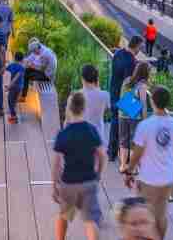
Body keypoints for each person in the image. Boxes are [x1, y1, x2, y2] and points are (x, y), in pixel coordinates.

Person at [124, 85, 173, 240]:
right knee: (161, 214)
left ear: (152, 102)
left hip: (148, 179)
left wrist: (129, 171)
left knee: (145, 215)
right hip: (168, 179)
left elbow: (137, 154)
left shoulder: (145, 126)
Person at [52, 92, 105, 240]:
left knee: (64, 216)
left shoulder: (63, 134)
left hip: (68, 183)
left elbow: (56, 163)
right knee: (90, 221)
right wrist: (98, 173)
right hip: (88, 181)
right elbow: (102, 155)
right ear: (84, 108)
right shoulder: (91, 130)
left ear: (68, 108)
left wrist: (54, 184)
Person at [109, 36, 143, 160]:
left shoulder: (118, 54)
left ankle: (112, 152)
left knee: (114, 122)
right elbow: (129, 84)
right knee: (134, 122)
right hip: (124, 96)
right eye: (141, 47)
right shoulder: (131, 61)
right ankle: (128, 156)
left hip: (113, 92)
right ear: (137, 46)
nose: (141, 49)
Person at [118, 62, 150, 174]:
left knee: (123, 141)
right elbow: (143, 104)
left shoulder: (127, 80)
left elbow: (121, 96)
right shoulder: (142, 85)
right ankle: (133, 167)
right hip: (134, 117)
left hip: (122, 113)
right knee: (133, 143)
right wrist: (145, 120)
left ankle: (122, 165)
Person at [80, 64, 110, 142]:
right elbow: (122, 107)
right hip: (98, 137)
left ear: (82, 79)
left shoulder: (75, 96)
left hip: (80, 138)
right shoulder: (105, 95)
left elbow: (68, 121)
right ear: (96, 79)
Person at [5, 51, 25, 124]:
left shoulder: (11, 65)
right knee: (14, 102)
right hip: (20, 87)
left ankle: (14, 117)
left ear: (14, 58)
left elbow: (5, 71)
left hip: (13, 87)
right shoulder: (22, 67)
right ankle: (14, 116)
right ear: (22, 59)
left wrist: (8, 86)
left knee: (10, 101)